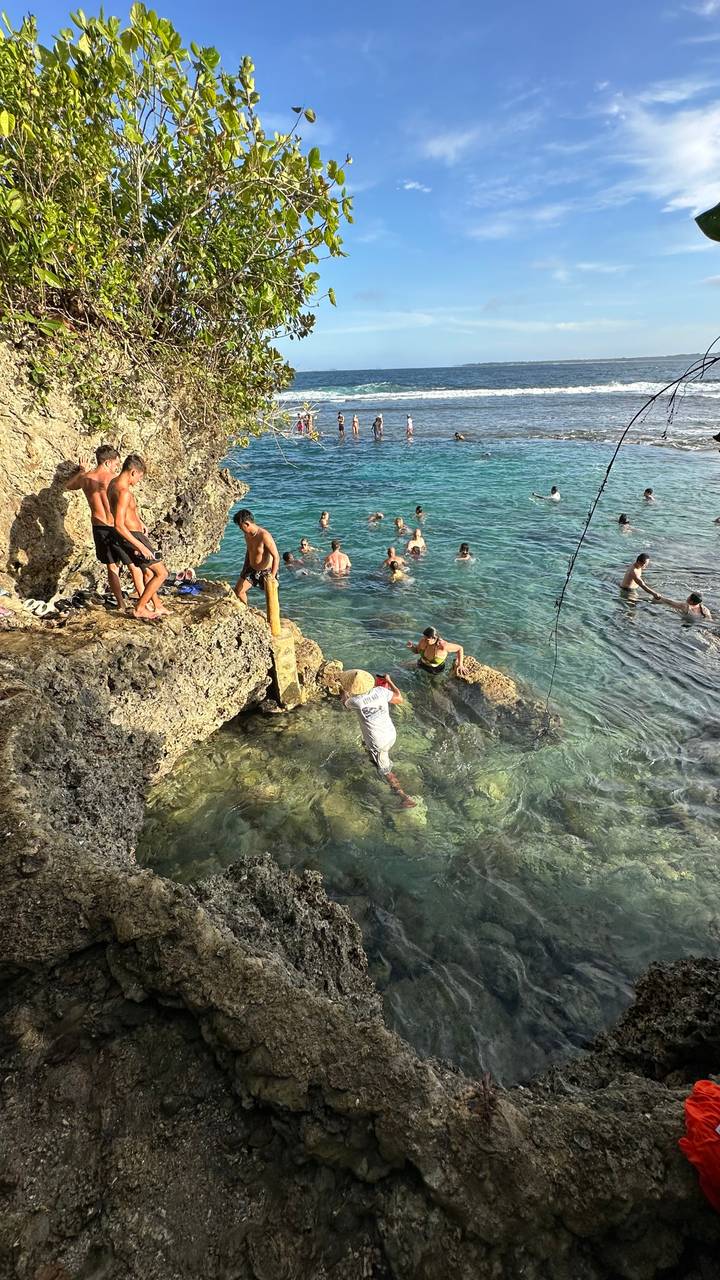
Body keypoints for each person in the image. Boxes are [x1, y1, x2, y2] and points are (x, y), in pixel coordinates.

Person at [337, 668, 415, 807]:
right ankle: (373, 755)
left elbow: (344, 702)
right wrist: (389, 681)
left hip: (378, 742)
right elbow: (399, 698)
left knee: (385, 771)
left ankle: (404, 797)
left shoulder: (355, 702)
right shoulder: (381, 691)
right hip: (391, 734)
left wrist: (342, 690)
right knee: (366, 746)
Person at [108, 454, 169, 620]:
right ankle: (140, 608)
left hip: (133, 534)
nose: (138, 481)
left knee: (148, 571)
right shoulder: (124, 492)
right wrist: (139, 546)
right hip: (132, 536)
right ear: (133, 472)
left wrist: (139, 521)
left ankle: (157, 605)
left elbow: (124, 513)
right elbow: (119, 524)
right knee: (161, 573)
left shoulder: (112, 484)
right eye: (140, 477)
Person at [64, 444, 124, 610]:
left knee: (112, 565)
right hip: (116, 525)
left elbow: (69, 486)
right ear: (107, 462)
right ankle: (144, 601)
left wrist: (82, 470)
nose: (117, 467)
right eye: (116, 463)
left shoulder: (86, 478)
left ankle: (121, 604)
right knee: (133, 563)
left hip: (99, 526)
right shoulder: (114, 479)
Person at [232, 508, 280, 604]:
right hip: (251, 568)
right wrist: (244, 568)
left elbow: (276, 556)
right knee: (239, 591)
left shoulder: (264, 536)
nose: (240, 529)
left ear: (247, 524)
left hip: (267, 571)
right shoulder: (247, 535)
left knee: (271, 598)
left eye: (240, 526)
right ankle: (246, 611)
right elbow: (249, 551)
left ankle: (271, 618)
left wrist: (272, 577)